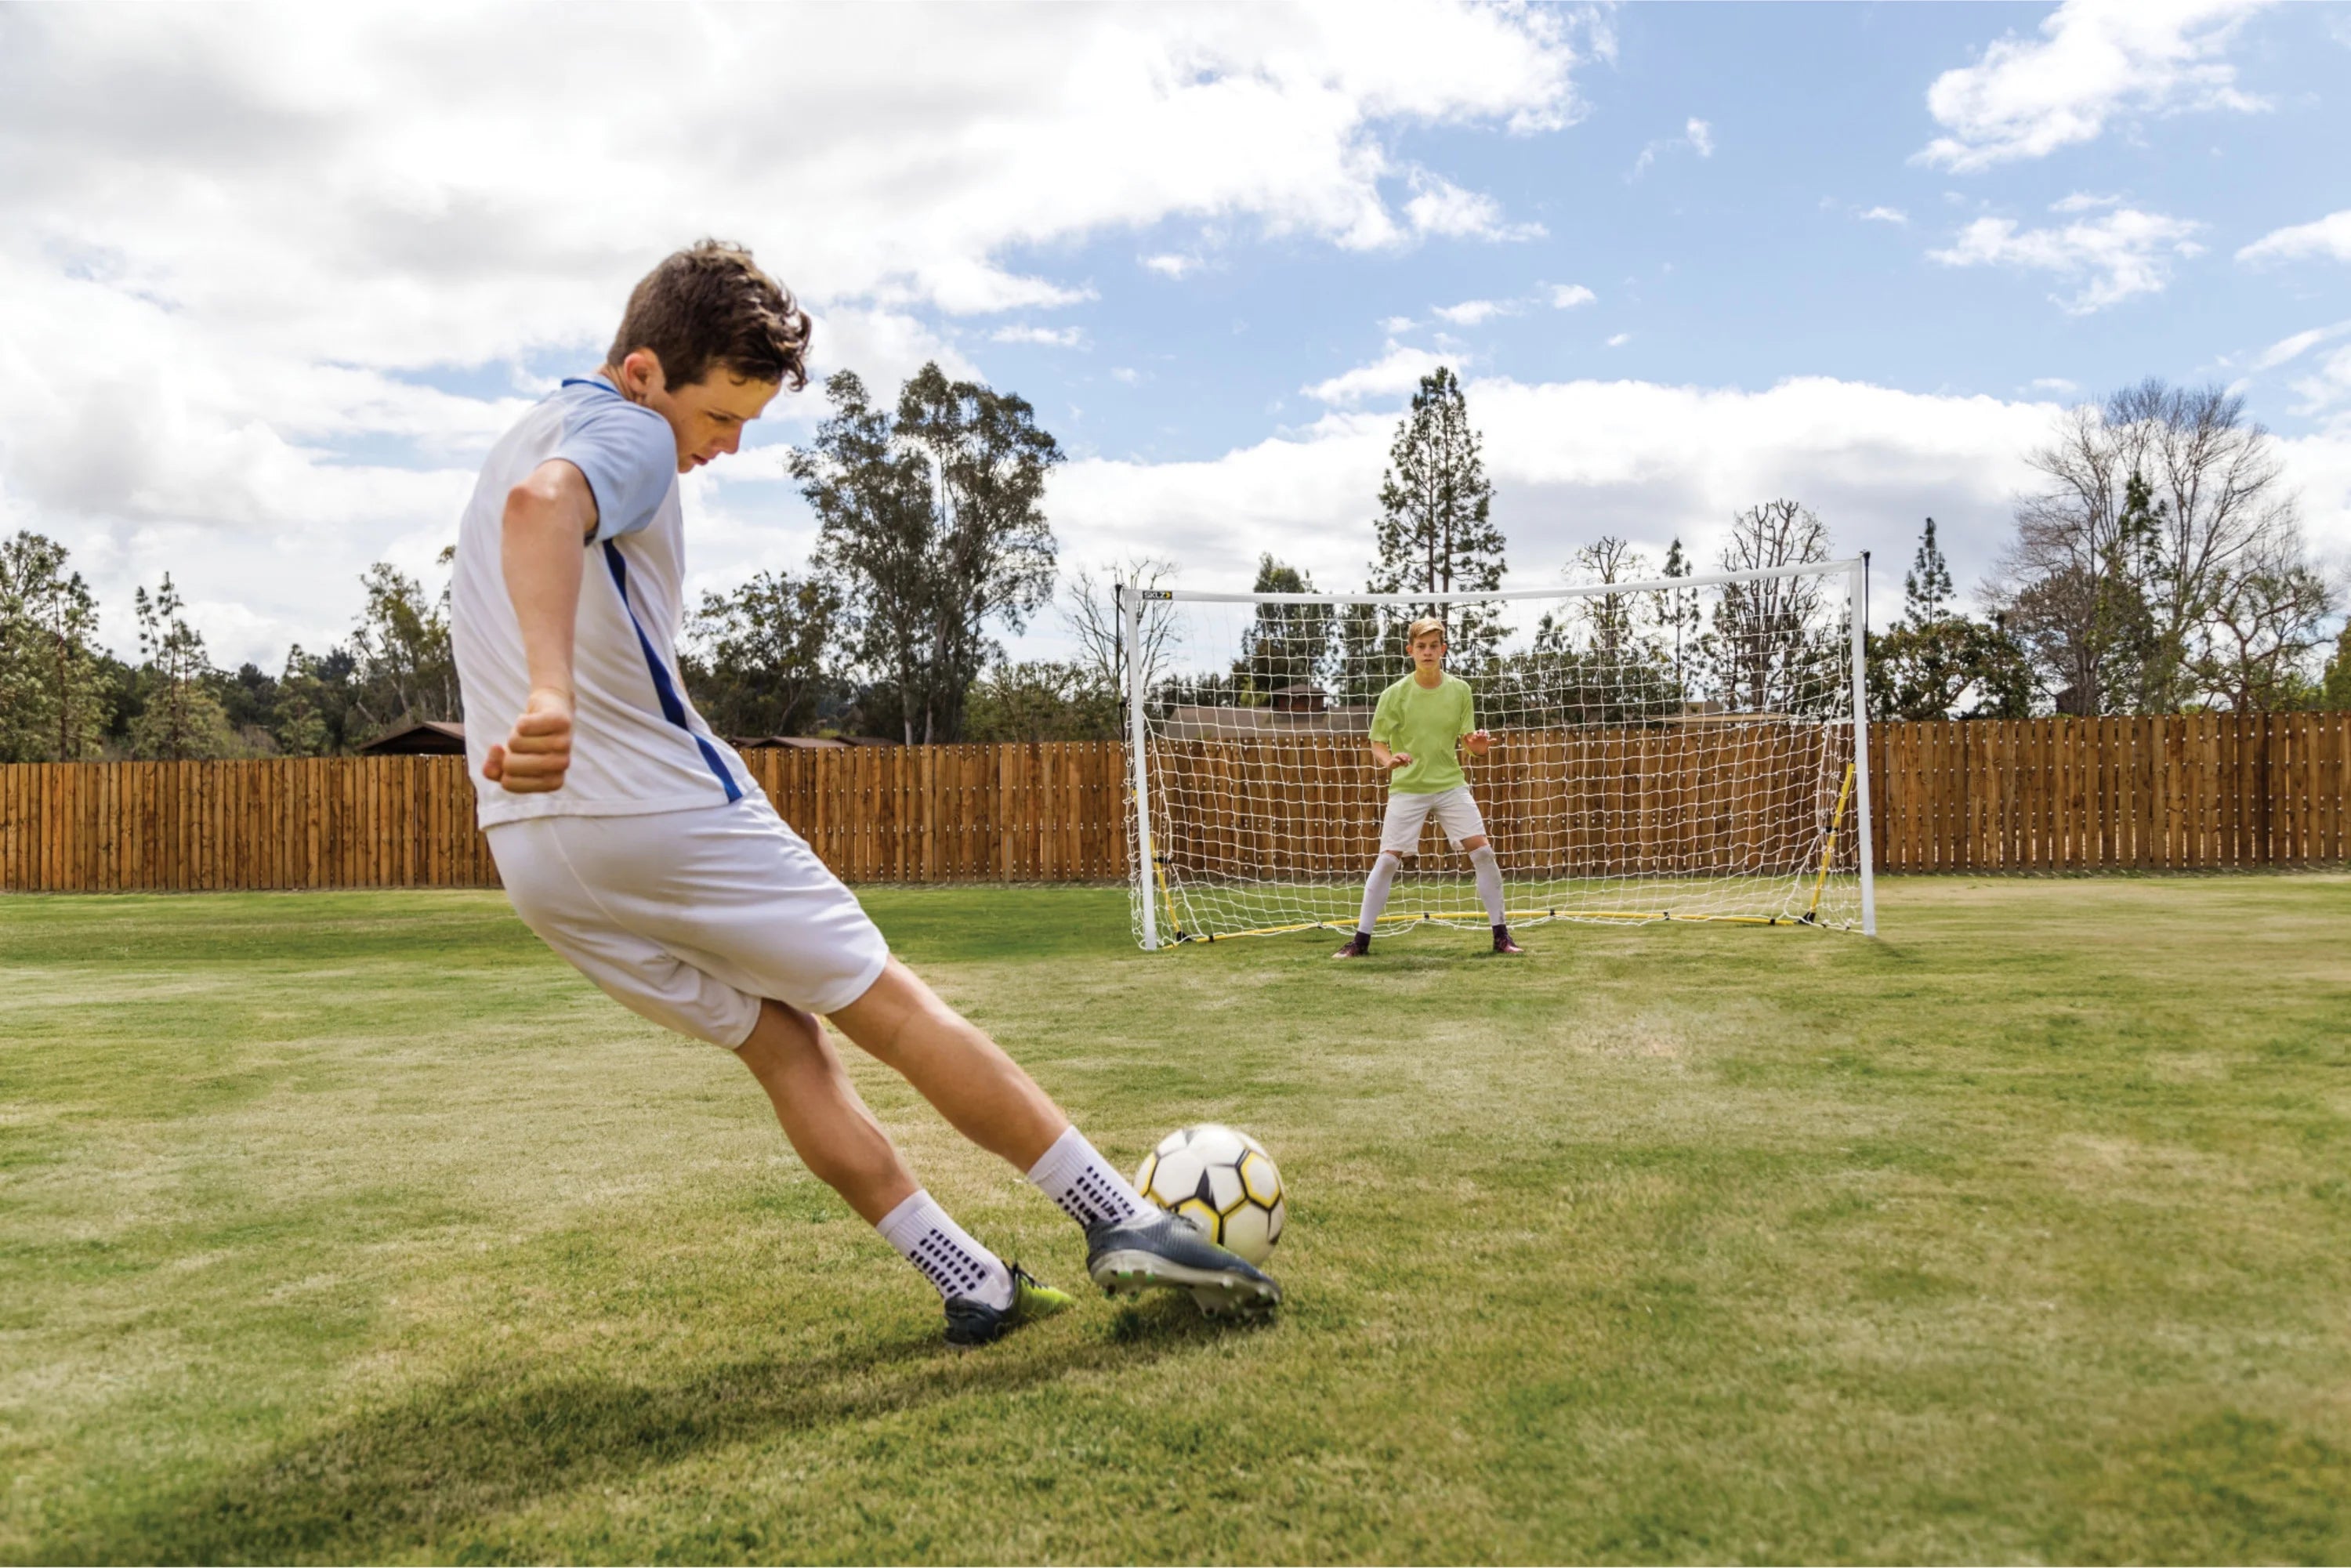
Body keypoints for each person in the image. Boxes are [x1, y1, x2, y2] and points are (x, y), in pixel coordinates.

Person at [449, 239, 1278, 1346]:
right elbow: (543, 508)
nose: (725, 445)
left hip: (534, 854)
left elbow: (525, 502)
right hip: (656, 810)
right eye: (719, 414)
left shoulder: (522, 430)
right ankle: (1119, 1217)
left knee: (782, 1047)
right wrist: (552, 694)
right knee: (890, 1005)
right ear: (644, 371)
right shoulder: (630, 429)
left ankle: (973, 1280)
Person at [1334, 617, 1523, 958]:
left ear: (1443, 650)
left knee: (1483, 853)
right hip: (1408, 788)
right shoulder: (1394, 695)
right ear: (1411, 651)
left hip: (1450, 785)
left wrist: (1479, 747)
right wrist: (1389, 760)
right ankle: (1360, 941)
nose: (1428, 652)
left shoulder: (1460, 691)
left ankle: (1501, 936)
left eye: (1434, 646)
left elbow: (1471, 745)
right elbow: (1377, 742)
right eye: (1421, 646)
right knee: (1388, 861)